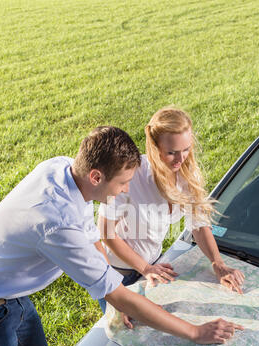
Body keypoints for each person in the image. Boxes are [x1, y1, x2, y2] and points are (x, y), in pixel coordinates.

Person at [0, 125, 243, 346]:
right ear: (96, 176)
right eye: (122, 183)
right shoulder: (56, 225)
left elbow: (93, 237)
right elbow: (120, 294)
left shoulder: (62, 168)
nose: (125, 192)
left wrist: (111, 296)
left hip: (12, 297)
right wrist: (195, 332)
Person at [98, 107, 245, 327]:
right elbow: (106, 234)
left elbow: (198, 224)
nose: (181, 158)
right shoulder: (130, 175)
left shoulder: (187, 174)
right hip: (116, 275)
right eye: (172, 152)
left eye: (186, 149)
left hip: (151, 269)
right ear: (154, 146)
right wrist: (142, 271)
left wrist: (217, 263)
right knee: (122, 338)